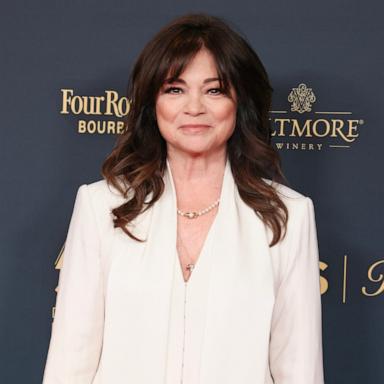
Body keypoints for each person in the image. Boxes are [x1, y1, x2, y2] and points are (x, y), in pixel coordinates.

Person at [42, 13, 324, 384]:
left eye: (214, 90)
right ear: (152, 103)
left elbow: (298, 368)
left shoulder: (287, 215)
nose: (194, 107)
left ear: (239, 104)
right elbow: (70, 361)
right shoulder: (101, 207)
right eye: (175, 89)